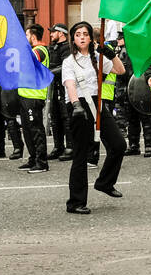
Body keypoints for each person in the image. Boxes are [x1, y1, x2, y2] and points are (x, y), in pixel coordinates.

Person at [61, 21, 127, 214]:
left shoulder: (97, 57)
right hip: (79, 105)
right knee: (81, 154)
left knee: (118, 145)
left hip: (97, 104)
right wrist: (75, 105)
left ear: (91, 38)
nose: (82, 37)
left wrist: (111, 55)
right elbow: (70, 85)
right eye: (78, 34)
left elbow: (120, 71)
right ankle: (75, 202)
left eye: (85, 34)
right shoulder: (69, 61)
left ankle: (105, 183)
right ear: (73, 39)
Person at [17, 24, 51, 173]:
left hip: (34, 96)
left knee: (35, 129)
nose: (25, 39)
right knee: (27, 130)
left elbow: (31, 61)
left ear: (33, 36)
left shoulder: (40, 50)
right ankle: (33, 159)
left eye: (26, 35)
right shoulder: (32, 50)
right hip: (25, 95)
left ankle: (41, 162)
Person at [46, 24, 72, 161]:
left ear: (61, 33)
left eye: (53, 32)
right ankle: (58, 146)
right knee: (55, 118)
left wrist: (50, 72)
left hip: (64, 87)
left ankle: (70, 147)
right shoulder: (53, 48)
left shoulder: (67, 48)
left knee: (66, 117)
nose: (51, 35)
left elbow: (65, 67)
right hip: (54, 87)